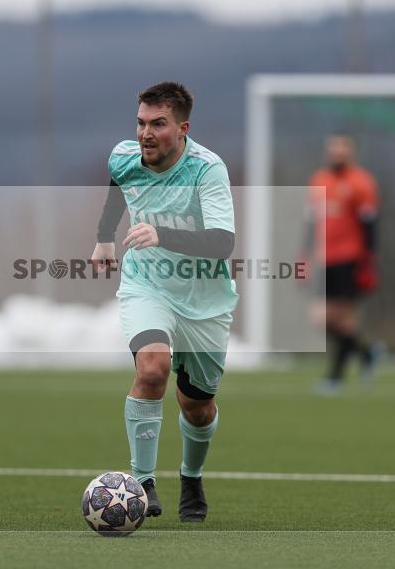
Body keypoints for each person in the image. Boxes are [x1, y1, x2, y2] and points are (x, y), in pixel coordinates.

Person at [91, 82, 237, 522]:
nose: (145, 133)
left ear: (182, 128)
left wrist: (162, 234)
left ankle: (191, 476)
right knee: (152, 369)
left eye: (158, 124)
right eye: (140, 122)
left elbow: (223, 242)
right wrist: (103, 239)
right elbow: (117, 186)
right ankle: (141, 483)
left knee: (197, 406)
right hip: (146, 287)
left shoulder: (207, 170)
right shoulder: (124, 157)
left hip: (205, 302)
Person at [304, 135, 383, 396]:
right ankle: (366, 352)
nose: (337, 154)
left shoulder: (361, 183)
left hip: (349, 258)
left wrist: (368, 262)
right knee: (321, 319)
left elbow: (370, 225)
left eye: (342, 150)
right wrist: (304, 255)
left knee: (345, 319)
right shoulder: (319, 180)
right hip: (323, 258)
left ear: (351, 153)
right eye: (333, 150)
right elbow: (311, 223)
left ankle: (335, 378)